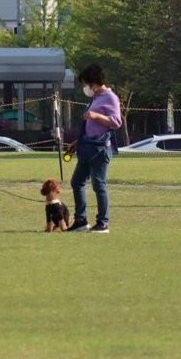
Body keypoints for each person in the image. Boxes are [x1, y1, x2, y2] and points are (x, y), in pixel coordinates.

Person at [66, 64, 122, 233]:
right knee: (77, 182)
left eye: (86, 84)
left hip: (100, 149)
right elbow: (90, 126)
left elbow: (116, 122)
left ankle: (102, 222)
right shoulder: (96, 98)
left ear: (95, 83)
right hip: (86, 146)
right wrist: (77, 141)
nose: (86, 88)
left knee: (99, 184)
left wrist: (96, 115)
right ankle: (81, 220)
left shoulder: (110, 97)